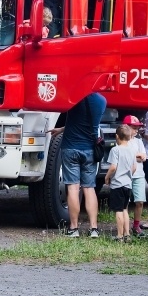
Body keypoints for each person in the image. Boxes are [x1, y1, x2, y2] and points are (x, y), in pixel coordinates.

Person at [51, 92, 107, 238]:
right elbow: (87, 122)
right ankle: (94, 229)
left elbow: (75, 119)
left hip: (70, 148)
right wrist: (62, 128)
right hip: (89, 150)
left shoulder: (72, 98)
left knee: (73, 188)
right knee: (89, 189)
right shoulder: (102, 101)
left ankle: (74, 228)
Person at [103, 125, 134, 241]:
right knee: (125, 209)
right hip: (128, 184)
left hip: (118, 184)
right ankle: (127, 234)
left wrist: (107, 177)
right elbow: (134, 167)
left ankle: (120, 235)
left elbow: (113, 167)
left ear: (117, 136)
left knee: (118, 210)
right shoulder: (132, 150)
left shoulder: (115, 150)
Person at [122, 115, 147, 236]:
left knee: (140, 201)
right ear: (126, 127)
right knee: (125, 202)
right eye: (134, 127)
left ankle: (136, 225)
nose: (136, 130)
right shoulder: (122, 141)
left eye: (138, 128)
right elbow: (124, 156)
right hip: (126, 176)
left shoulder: (138, 141)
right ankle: (125, 226)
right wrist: (137, 155)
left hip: (139, 175)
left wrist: (136, 155)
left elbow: (144, 156)